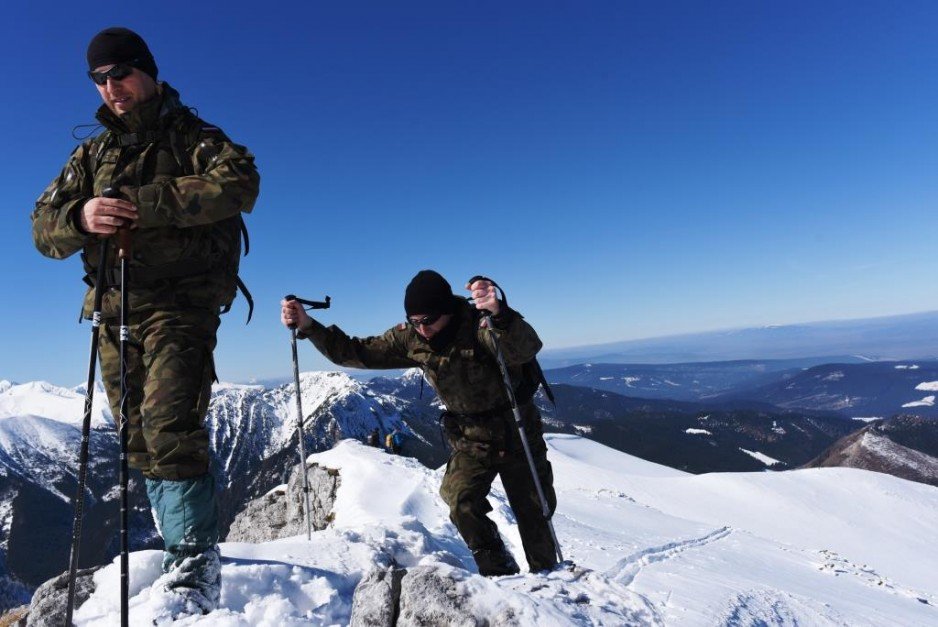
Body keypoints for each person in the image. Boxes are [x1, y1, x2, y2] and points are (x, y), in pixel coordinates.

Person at [31, 27, 259, 614]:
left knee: (168, 424)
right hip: (113, 308)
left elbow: (238, 183)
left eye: (121, 74)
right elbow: (42, 228)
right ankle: (178, 544)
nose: (112, 88)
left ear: (148, 71)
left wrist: (141, 205)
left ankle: (194, 562)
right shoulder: (91, 154)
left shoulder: (192, 136)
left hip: (180, 306)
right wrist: (82, 215)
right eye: (100, 80)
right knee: (134, 432)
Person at [281, 271, 558, 576]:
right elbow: (355, 352)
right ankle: (497, 569)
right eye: (415, 321)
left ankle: (550, 581)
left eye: (428, 320)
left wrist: (500, 315)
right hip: (471, 437)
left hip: (516, 430)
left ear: (447, 311)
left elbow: (525, 348)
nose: (422, 329)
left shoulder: (478, 323)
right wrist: (308, 326)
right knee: (460, 501)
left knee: (534, 510)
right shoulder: (410, 337)